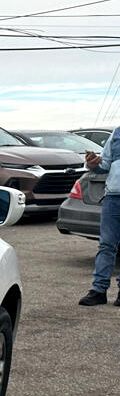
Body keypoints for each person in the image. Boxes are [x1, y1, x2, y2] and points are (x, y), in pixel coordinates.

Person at [80, 124, 120, 306]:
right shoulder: (117, 133)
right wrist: (92, 163)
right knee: (106, 244)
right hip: (113, 197)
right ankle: (98, 290)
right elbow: (103, 165)